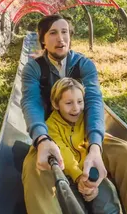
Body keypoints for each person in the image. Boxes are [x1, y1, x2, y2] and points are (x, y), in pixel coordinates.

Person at [21, 14, 127, 214]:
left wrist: (95, 145)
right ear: (43, 39)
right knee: (34, 169)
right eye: (53, 33)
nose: (61, 38)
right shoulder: (33, 69)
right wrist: (41, 138)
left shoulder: (84, 65)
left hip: (85, 132)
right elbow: (31, 102)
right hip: (51, 135)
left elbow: (94, 101)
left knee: (126, 153)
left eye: (65, 32)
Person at [47, 77, 121, 213]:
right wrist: (79, 177)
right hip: (69, 176)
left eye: (80, 102)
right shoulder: (51, 126)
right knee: (72, 205)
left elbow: (92, 141)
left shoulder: (86, 119)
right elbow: (63, 153)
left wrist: (90, 183)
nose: (76, 108)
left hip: (91, 174)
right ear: (56, 104)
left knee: (107, 196)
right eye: (69, 103)